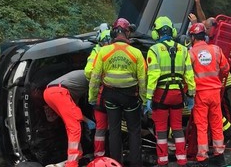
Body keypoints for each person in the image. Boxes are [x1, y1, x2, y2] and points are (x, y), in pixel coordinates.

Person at [88, 18, 147, 167]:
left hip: (110, 96)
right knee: (134, 130)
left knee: (114, 130)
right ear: (127, 33)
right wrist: (145, 100)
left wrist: (93, 97)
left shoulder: (103, 51)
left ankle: (115, 163)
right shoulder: (137, 53)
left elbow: (94, 77)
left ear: (113, 33)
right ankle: (136, 163)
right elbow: (142, 79)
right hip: (130, 97)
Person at [145, 16, 196, 167]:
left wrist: (148, 97)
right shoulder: (183, 49)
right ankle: (182, 160)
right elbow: (189, 74)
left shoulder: (153, 50)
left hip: (161, 95)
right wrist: (191, 95)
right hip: (178, 95)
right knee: (178, 128)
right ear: (172, 31)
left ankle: (163, 161)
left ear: (157, 33)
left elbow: (153, 75)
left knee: (161, 130)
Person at [187, 23, 229, 167]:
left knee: (202, 125)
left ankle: (202, 157)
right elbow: (225, 68)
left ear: (192, 37)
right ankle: (219, 154)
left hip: (200, 94)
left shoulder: (191, 53)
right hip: (215, 92)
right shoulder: (216, 50)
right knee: (217, 124)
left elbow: (187, 75)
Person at [43, 70, 94, 167]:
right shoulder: (93, 74)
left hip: (49, 93)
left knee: (70, 125)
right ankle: (72, 164)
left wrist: (87, 120)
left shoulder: (75, 86)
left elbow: (74, 112)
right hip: (59, 92)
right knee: (74, 128)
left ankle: (78, 154)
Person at [84, 26, 111, 157]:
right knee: (110, 127)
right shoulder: (111, 51)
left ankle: (99, 156)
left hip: (100, 96)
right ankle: (109, 154)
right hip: (110, 95)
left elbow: (89, 73)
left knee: (101, 128)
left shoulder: (96, 52)